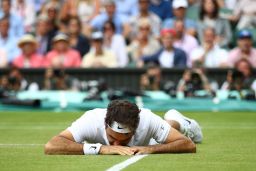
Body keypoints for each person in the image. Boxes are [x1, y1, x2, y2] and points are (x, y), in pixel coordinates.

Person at [45, 99, 202, 155]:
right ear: (105, 124)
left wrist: (151, 150)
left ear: (135, 128)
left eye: (125, 139)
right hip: (142, 144)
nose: (117, 146)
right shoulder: (91, 119)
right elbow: (52, 145)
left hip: (145, 144)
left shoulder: (146, 119)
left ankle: (177, 120)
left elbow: (188, 144)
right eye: (112, 138)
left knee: (165, 136)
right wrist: (101, 148)